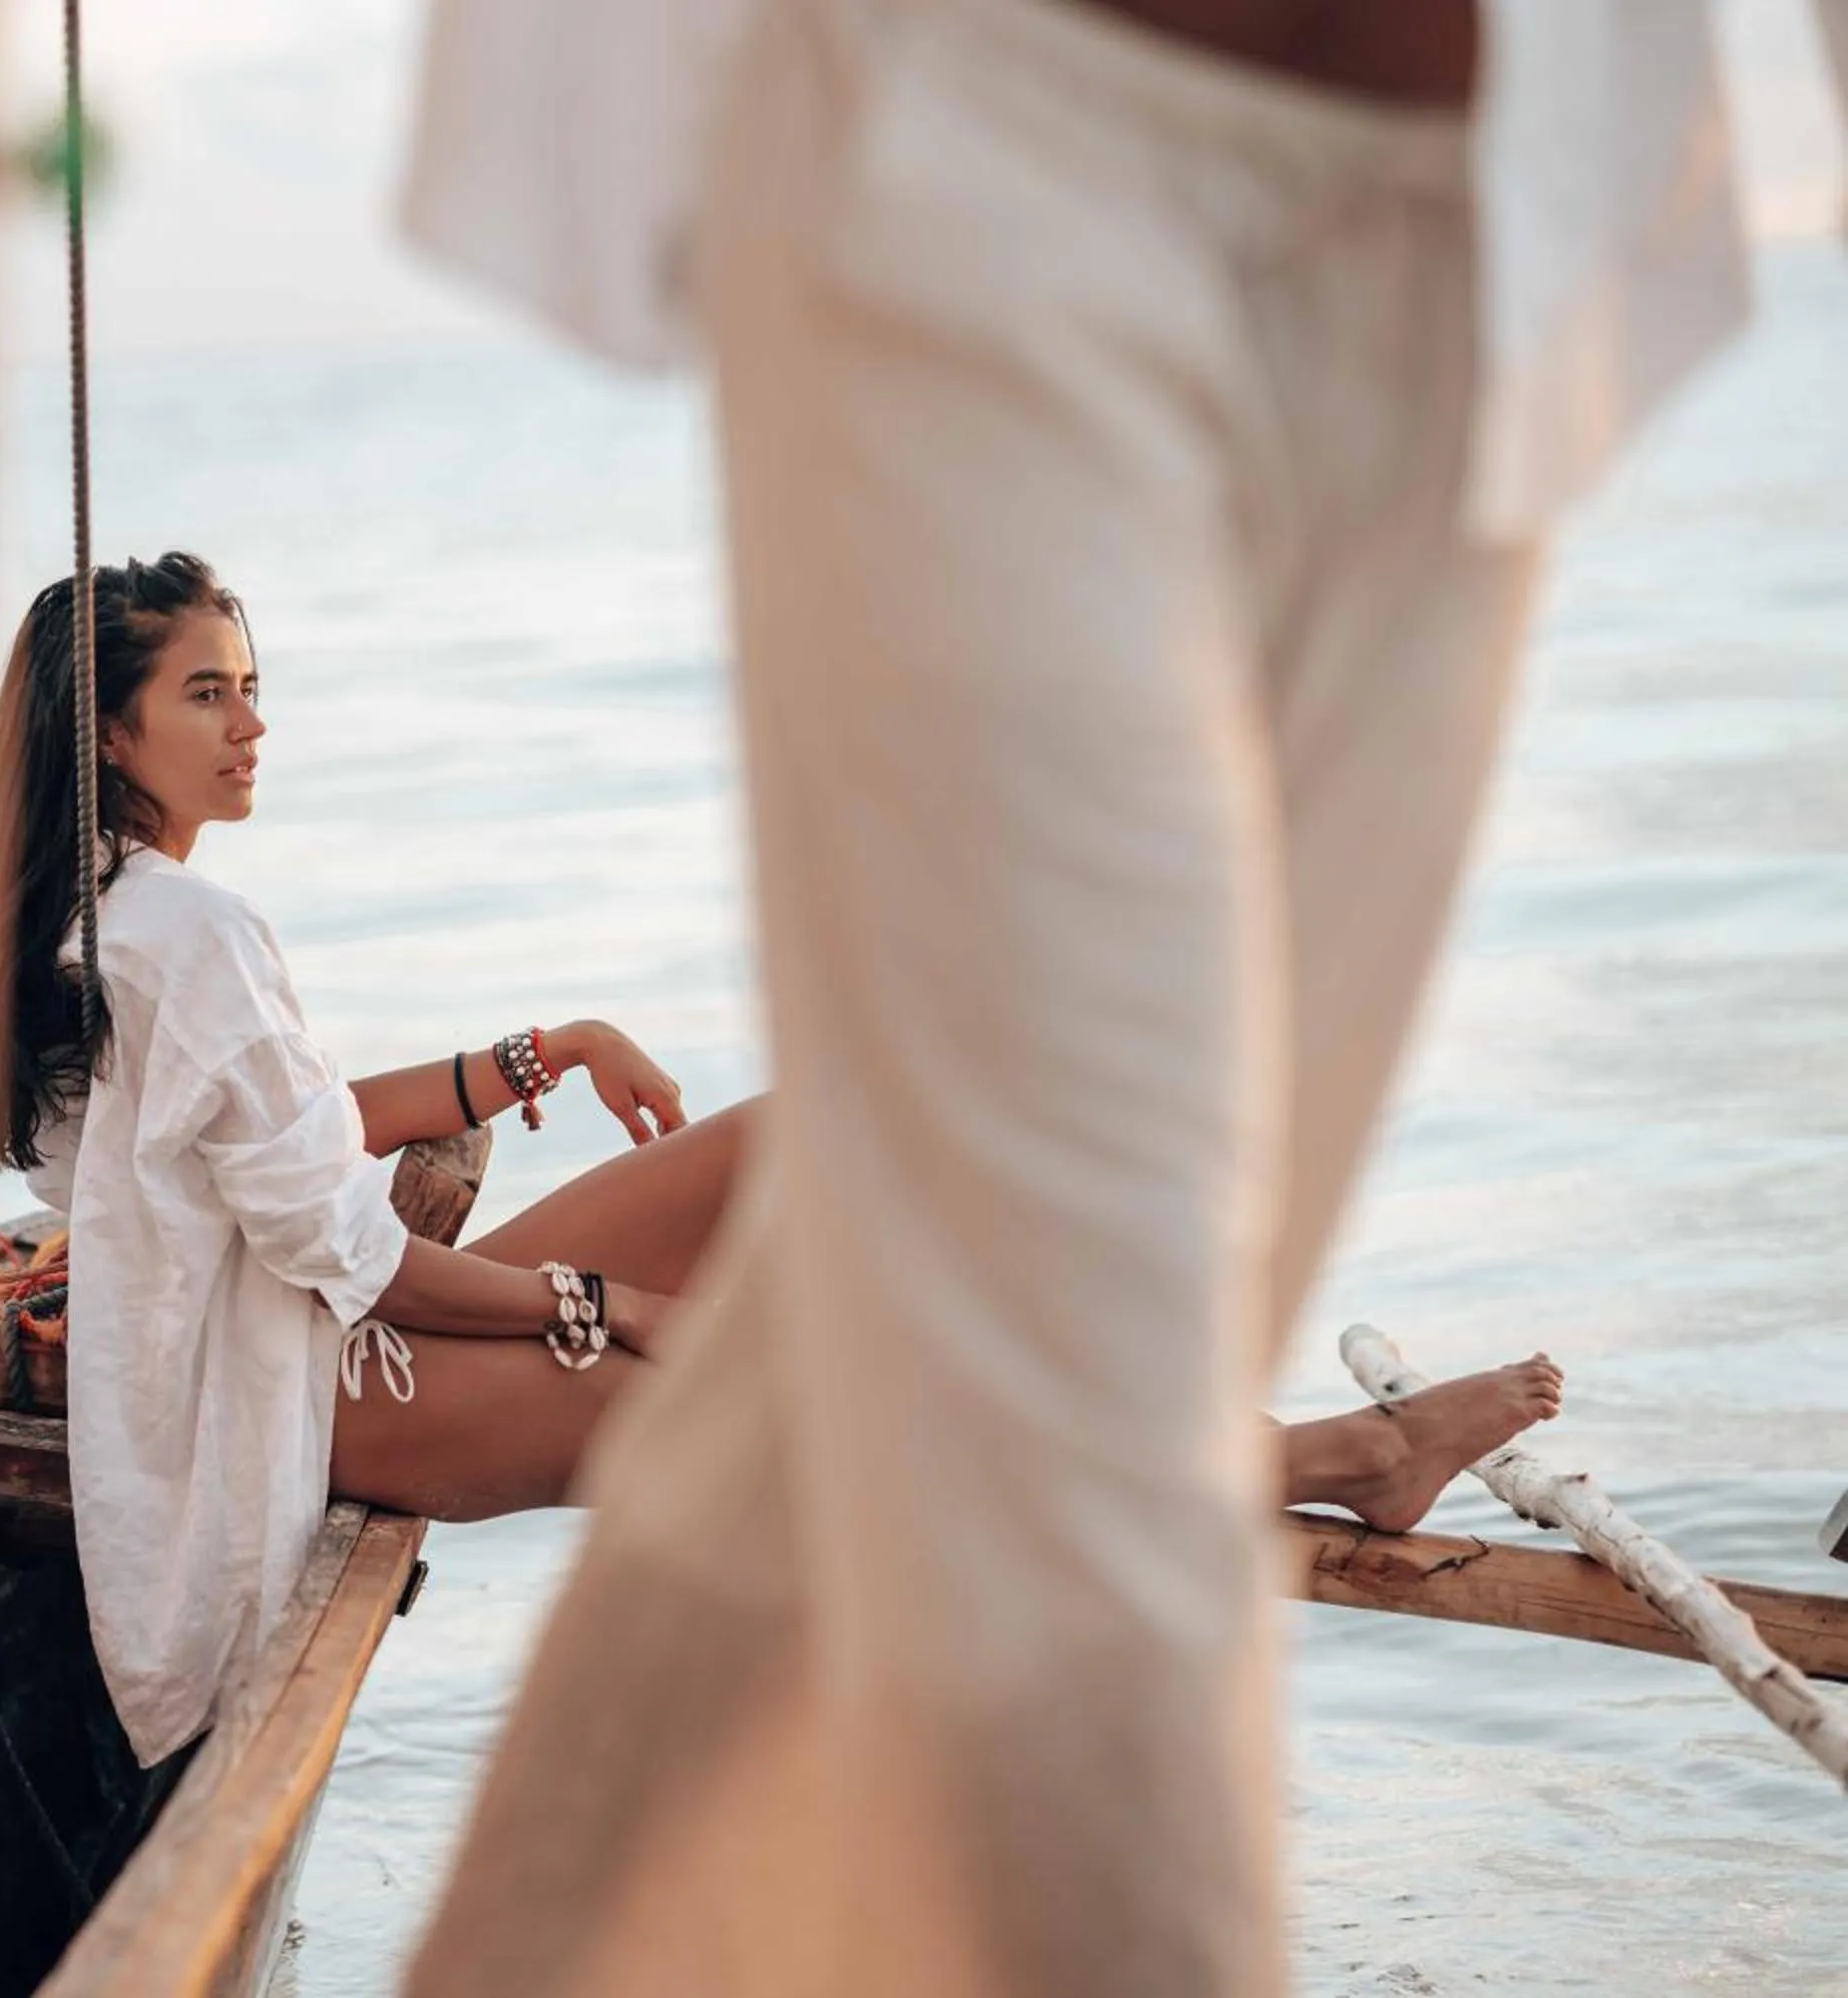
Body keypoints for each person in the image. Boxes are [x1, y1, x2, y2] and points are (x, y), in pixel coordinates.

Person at [394, 1, 1847, 1992]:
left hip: (1486, 224)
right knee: (1081, 1418)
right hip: (1002, 135)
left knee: (887, 1404)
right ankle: (1329, 1477)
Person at [0, 549, 1564, 1773]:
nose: (252, 722)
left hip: (329, 1328)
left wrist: (531, 1054)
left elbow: (257, 1147)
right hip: (325, 1383)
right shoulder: (189, 931)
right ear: (116, 730)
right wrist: (601, 1307)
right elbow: (341, 1244)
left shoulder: (110, 921)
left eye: (252, 682)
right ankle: (1334, 1455)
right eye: (207, 692)